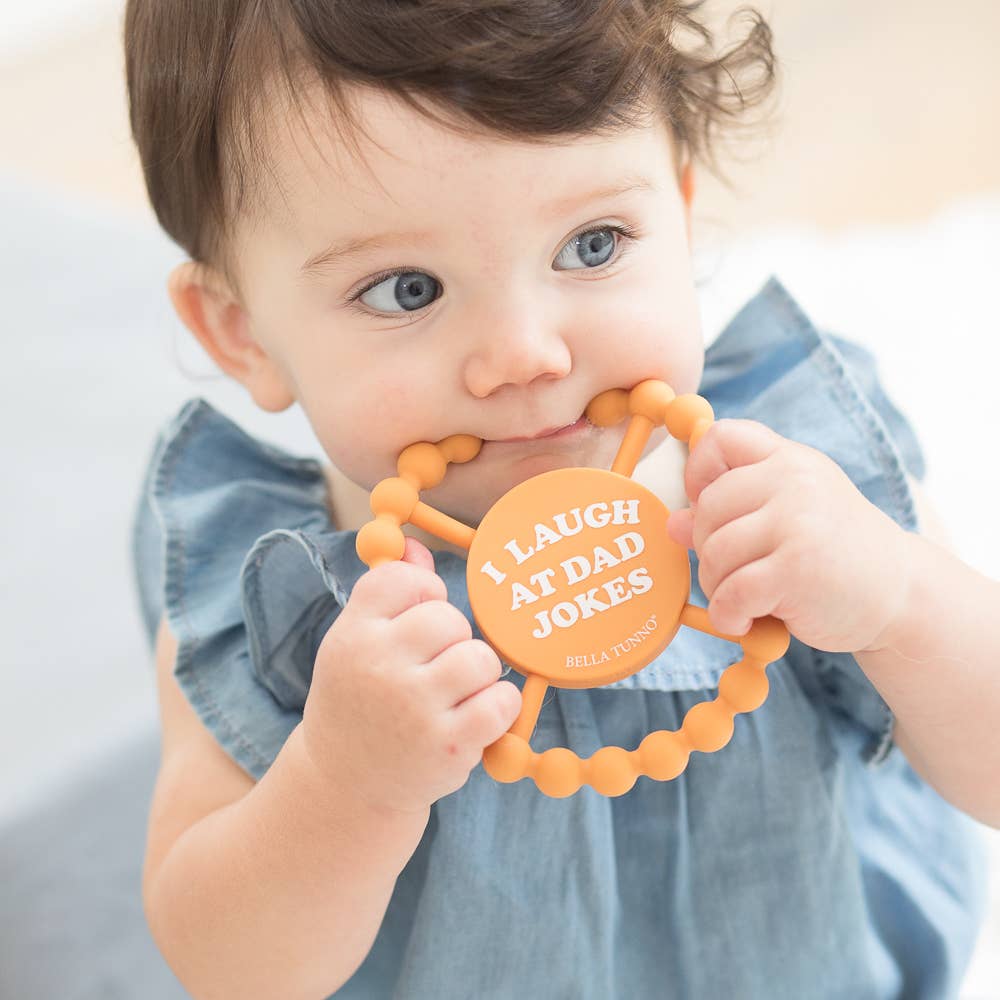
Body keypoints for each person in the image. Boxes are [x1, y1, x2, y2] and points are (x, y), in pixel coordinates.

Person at [125, 2, 995, 997]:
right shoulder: (276, 599)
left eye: (592, 243)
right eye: (407, 289)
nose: (525, 354)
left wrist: (896, 599)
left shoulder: (792, 483)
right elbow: (227, 967)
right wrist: (341, 780)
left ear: (678, 211)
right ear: (240, 331)